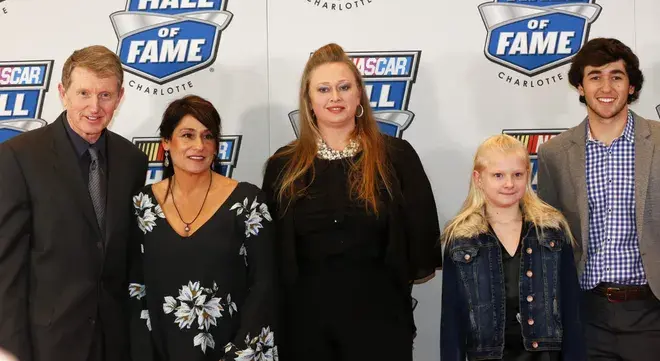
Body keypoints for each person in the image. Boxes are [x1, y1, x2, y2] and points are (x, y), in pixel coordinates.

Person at [262, 43, 440, 361]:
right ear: (309, 100)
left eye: (344, 87)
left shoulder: (397, 157)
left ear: (359, 96)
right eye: (324, 89)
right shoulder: (282, 165)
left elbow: (420, 244)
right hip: (303, 327)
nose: (335, 97)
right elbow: (271, 252)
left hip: (381, 323)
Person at [0, 45, 148, 361]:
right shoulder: (20, 157)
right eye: (83, 93)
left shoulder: (132, 161)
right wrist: (11, 351)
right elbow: (7, 269)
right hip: (47, 345)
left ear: (119, 98)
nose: (94, 107)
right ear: (62, 93)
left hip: (114, 343)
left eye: (105, 95)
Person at [128, 95, 277, 361]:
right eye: (187, 135)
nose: (199, 145)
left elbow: (265, 285)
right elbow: (135, 288)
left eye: (208, 136)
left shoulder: (247, 202)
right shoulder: (142, 204)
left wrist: (238, 355)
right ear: (165, 143)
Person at [538, 37, 660, 360]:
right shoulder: (554, 154)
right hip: (586, 313)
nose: (606, 87)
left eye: (617, 77)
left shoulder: (659, 141)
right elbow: (549, 240)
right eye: (595, 76)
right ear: (580, 86)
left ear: (632, 86)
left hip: (652, 310)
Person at [440, 134, 585, 361]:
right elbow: (452, 319)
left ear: (528, 175)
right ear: (478, 179)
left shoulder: (552, 232)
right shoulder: (460, 239)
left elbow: (571, 309)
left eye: (517, 175)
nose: (509, 184)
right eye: (498, 175)